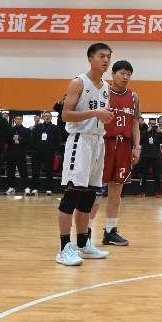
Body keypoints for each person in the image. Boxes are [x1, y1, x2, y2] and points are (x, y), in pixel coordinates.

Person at [55, 43, 114, 266]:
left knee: (89, 196)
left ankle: (83, 244)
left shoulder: (106, 87)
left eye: (108, 57)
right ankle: (64, 248)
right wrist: (95, 113)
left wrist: (104, 116)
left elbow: (100, 114)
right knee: (72, 195)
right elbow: (66, 115)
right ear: (90, 58)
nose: (106, 60)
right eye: (101, 56)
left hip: (97, 142)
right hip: (79, 142)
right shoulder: (78, 82)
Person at [92, 60, 141, 246]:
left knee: (116, 191)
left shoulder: (133, 96)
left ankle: (110, 231)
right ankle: (85, 231)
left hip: (124, 145)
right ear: (113, 74)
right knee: (96, 189)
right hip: (104, 143)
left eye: (128, 74)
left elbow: (135, 124)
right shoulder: (103, 92)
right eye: (122, 73)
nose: (125, 77)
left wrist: (136, 147)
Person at [30, 111, 61, 196]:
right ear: (43, 118)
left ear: (51, 118)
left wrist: (54, 150)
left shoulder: (55, 128)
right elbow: (32, 139)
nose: (47, 117)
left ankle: (49, 189)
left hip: (49, 153)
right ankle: (35, 188)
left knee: (49, 171)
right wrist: (34, 150)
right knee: (36, 171)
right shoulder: (38, 127)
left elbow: (58, 141)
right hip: (37, 153)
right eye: (45, 116)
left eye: (49, 116)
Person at [138, 121, 162, 197]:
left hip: (156, 156)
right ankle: (142, 191)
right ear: (148, 124)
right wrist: (146, 131)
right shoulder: (144, 132)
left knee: (157, 174)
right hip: (145, 156)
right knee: (143, 174)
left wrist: (160, 132)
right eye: (151, 124)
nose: (152, 125)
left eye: (154, 124)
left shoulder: (157, 132)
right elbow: (140, 141)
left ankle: (158, 192)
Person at [6, 115, 31, 195]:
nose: (19, 120)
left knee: (23, 171)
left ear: (22, 120)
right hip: (11, 153)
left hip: (21, 153)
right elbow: (6, 140)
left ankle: (26, 188)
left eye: (20, 119)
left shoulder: (26, 130)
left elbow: (28, 141)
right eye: (17, 119)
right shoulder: (10, 130)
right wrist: (12, 139)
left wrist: (20, 138)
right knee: (11, 171)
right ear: (14, 120)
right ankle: (11, 187)